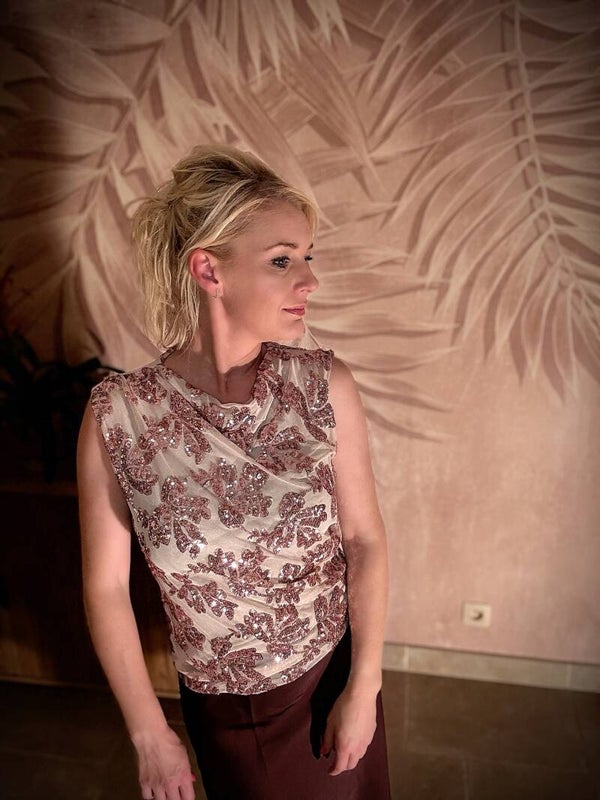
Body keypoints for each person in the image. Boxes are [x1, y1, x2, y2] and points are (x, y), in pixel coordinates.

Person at [77, 145, 391, 800]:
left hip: (334, 682)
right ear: (209, 271)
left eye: (308, 257)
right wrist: (148, 733)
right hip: (227, 712)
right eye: (282, 260)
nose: (309, 281)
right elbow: (105, 588)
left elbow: (364, 542)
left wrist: (365, 686)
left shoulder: (324, 386)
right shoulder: (119, 416)